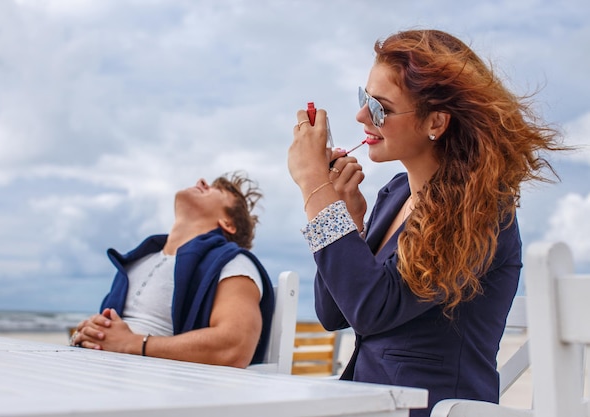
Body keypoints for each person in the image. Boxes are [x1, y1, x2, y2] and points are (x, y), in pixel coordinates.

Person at [288, 29, 564, 416]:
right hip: (373, 405)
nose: (362, 115)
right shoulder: (396, 194)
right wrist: (347, 218)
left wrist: (316, 189)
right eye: (364, 98)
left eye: (380, 107)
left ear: (435, 121)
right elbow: (335, 314)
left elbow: (372, 309)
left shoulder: (479, 211)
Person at [70, 171, 275, 369]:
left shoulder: (232, 263)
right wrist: (90, 333)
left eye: (216, 191)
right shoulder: (137, 261)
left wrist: (132, 343)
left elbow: (235, 345)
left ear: (228, 223)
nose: (202, 181)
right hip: (99, 371)